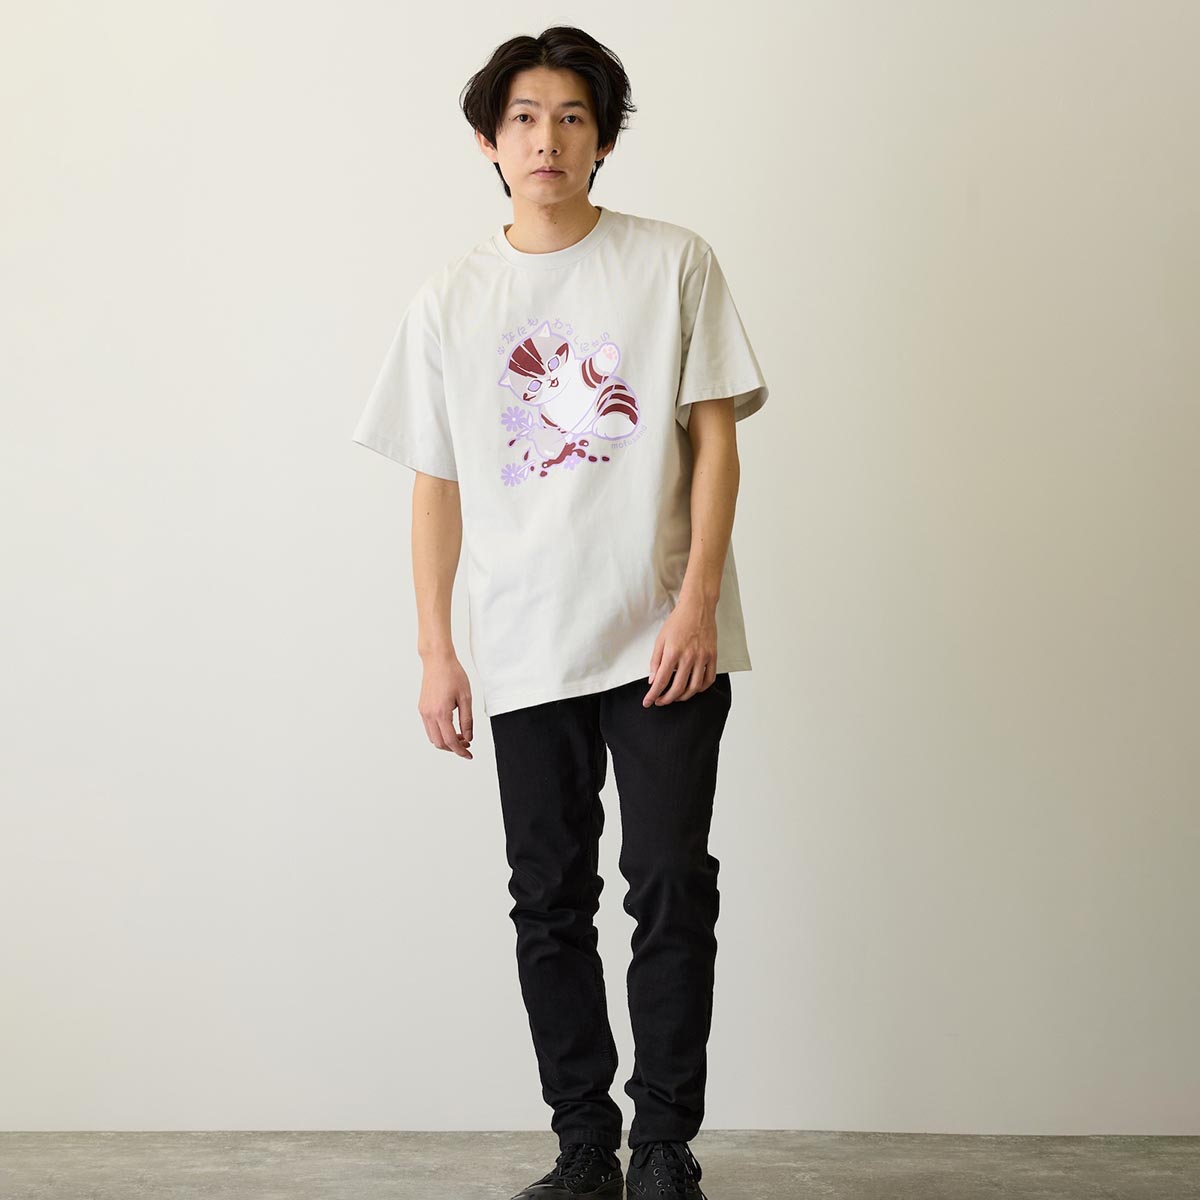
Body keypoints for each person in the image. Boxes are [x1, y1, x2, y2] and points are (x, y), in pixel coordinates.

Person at [352, 26, 768, 1200]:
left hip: (664, 634)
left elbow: (716, 443)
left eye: (573, 117)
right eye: (525, 118)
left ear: (603, 140)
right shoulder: (451, 299)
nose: (549, 138)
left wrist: (697, 603)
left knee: (670, 882)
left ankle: (665, 1144)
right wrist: (437, 651)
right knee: (549, 900)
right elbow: (436, 486)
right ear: (490, 142)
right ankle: (584, 1144)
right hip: (526, 637)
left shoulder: (672, 263)